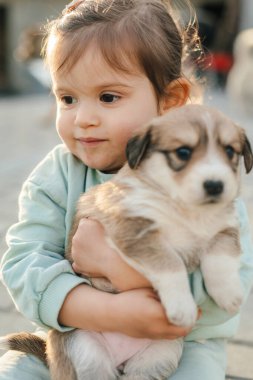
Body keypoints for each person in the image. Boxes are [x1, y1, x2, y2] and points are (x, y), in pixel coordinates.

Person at [1, 0, 253, 379]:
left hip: (185, 341)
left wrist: (123, 274)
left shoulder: (208, 184)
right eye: (67, 98)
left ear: (170, 101)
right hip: (80, 333)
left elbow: (230, 292)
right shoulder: (56, 174)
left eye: (108, 97)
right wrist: (105, 311)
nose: (83, 118)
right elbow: (23, 264)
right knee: (16, 371)